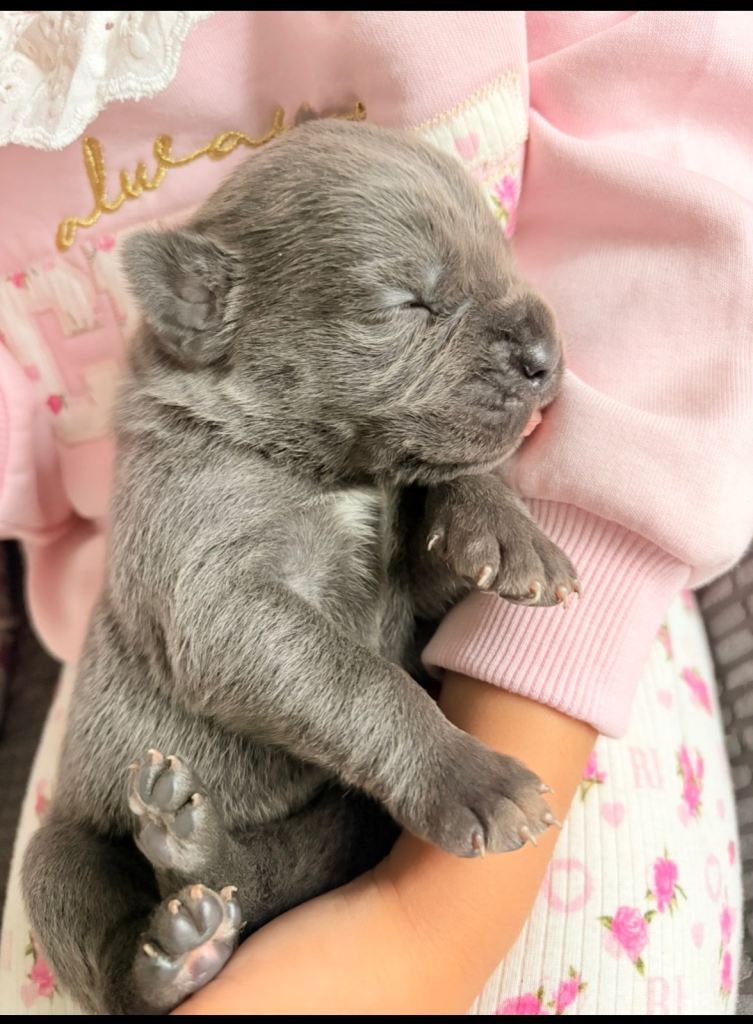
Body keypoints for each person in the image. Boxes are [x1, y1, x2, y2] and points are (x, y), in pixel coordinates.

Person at [0, 11, 748, 1014]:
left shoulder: (407, 429)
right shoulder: (194, 453)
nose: (530, 346)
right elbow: (231, 636)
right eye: (411, 307)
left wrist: (476, 503)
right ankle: (186, 925)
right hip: (186, 811)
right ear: (205, 310)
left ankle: (219, 885)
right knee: (61, 874)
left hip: (544, 649)